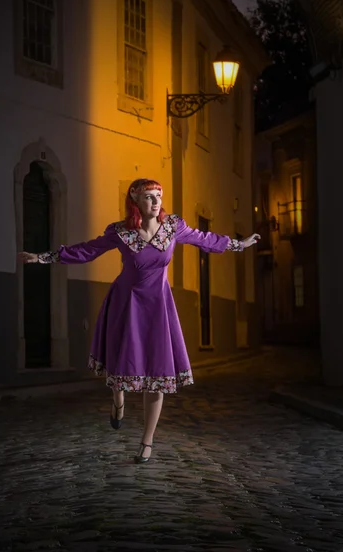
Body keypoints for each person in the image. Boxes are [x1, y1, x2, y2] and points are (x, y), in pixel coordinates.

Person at [19, 178, 260, 463]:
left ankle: (147, 441)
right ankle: (118, 400)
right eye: (148, 196)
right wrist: (41, 257)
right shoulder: (121, 233)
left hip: (158, 307)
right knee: (122, 366)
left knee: (157, 376)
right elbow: (87, 250)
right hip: (126, 304)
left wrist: (238, 244)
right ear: (135, 201)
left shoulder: (173, 227)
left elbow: (203, 239)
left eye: (158, 196)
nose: (155, 201)